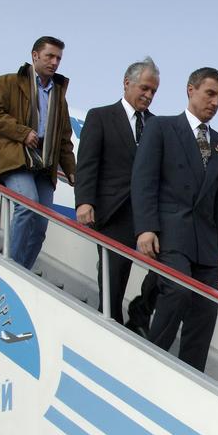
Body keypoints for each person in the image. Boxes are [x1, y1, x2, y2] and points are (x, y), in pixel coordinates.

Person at [131, 67, 218, 371]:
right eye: (210, 94)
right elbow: (143, 180)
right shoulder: (161, 128)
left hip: (206, 243)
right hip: (171, 233)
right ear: (191, 90)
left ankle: (191, 376)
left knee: (205, 311)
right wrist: (146, 228)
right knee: (176, 291)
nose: (215, 102)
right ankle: (153, 362)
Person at [75, 58, 160, 324]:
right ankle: (110, 323)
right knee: (115, 272)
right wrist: (85, 201)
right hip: (114, 210)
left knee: (166, 268)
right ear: (127, 83)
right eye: (144, 88)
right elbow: (87, 163)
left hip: (148, 213)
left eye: (153, 92)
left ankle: (142, 309)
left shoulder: (158, 126)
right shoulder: (100, 116)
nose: (148, 95)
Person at [0, 36, 76, 270]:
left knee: (41, 225)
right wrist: (22, 132)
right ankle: (10, 267)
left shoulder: (59, 96)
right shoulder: (8, 82)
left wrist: (73, 173)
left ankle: (22, 271)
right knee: (28, 205)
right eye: (50, 56)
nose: (55, 62)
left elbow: (64, 140)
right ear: (35, 56)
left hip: (45, 166)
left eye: (58, 58)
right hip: (16, 159)